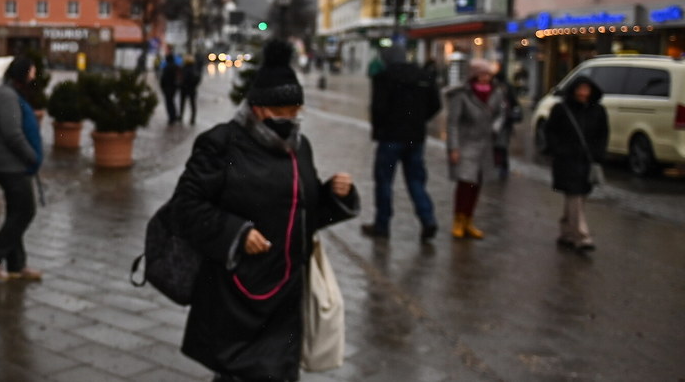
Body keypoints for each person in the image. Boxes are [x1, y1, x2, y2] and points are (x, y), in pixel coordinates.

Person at [172, 40, 358, 382]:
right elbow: (187, 206)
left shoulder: (300, 148)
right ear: (258, 109)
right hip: (236, 294)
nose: (291, 119)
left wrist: (333, 195)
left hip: (287, 293)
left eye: (295, 110)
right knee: (238, 372)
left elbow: (306, 213)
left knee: (277, 372)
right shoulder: (222, 144)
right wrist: (236, 233)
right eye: (283, 111)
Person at [361, 46, 441, 242]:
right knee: (416, 180)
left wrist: (380, 129)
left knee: (385, 181)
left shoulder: (384, 77)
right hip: (415, 138)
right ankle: (427, 218)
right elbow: (436, 105)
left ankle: (382, 225)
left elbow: (378, 108)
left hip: (390, 138)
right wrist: (419, 120)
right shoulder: (423, 76)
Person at [0, 55, 44, 281]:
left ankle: (17, 265)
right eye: (31, 71)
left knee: (15, 212)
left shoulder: (9, 93)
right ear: (22, 73)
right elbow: (12, 133)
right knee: (26, 211)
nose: (34, 76)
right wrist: (32, 157)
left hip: (11, 164)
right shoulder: (7, 96)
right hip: (9, 166)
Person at [444, 59, 510, 239]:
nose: (485, 78)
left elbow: (502, 113)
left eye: (488, 74)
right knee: (465, 183)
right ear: (474, 75)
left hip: (485, 145)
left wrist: (495, 129)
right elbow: (453, 123)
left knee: (476, 184)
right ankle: (458, 219)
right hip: (466, 143)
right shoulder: (462, 94)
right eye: (482, 74)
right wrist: (454, 147)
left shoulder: (497, 92)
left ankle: (469, 220)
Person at [544, 76, 608, 252]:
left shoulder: (598, 111)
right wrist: (558, 149)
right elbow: (550, 131)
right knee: (575, 195)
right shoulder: (561, 109)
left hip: (587, 160)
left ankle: (567, 232)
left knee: (578, 197)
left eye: (586, 89)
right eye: (579, 89)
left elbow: (602, 134)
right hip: (567, 159)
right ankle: (582, 237)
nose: (582, 93)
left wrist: (598, 154)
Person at [160, 45, 182, 124]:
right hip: (174, 87)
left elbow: (163, 79)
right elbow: (179, 77)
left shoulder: (166, 68)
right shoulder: (176, 67)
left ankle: (171, 117)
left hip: (168, 87)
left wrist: (162, 87)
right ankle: (174, 115)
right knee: (172, 102)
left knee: (169, 102)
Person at [179, 54, 201, 125]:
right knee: (192, 104)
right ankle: (192, 118)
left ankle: (182, 116)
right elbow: (198, 78)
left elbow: (181, 78)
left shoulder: (184, 68)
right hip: (191, 89)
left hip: (185, 89)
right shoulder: (194, 68)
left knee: (184, 103)